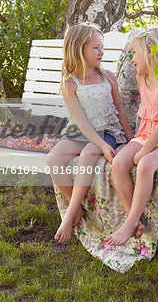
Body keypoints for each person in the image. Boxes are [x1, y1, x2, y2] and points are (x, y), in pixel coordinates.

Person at [47, 23, 133, 243]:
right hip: (80, 132)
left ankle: (69, 215)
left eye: (102, 47)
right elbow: (82, 123)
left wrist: (131, 142)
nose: (101, 52)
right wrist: (102, 146)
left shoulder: (108, 77)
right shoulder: (70, 84)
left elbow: (121, 112)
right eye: (96, 48)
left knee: (87, 154)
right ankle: (78, 208)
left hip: (107, 132)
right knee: (53, 158)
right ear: (78, 49)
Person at [104, 28, 158, 246]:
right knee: (118, 163)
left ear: (150, 51)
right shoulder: (141, 76)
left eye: (134, 53)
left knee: (145, 164)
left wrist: (144, 152)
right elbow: (147, 118)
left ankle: (129, 224)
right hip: (145, 134)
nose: (132, 59)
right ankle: (133, 221)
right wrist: (140, 146)